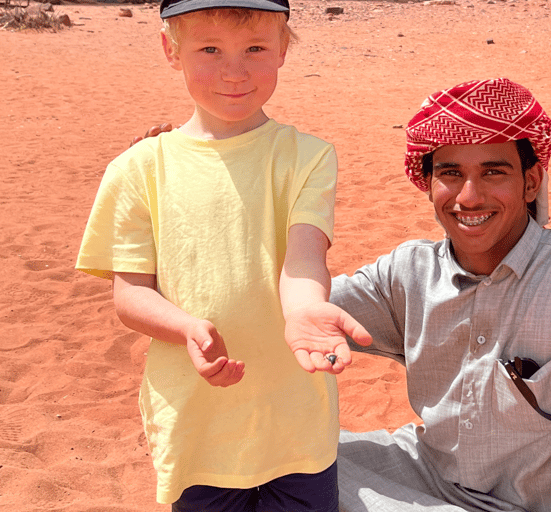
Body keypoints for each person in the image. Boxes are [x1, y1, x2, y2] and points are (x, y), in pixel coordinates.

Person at [75, 0, 371, 510]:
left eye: (255, 48)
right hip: (197, 424)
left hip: (296, 421)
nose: (234, 71)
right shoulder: (139, 168)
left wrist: (304, 313)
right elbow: (130, 296)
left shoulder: (307, 156)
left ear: (283, 49)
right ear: (172, 50)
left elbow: (303, 258)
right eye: (209, 48)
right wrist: (185, 327)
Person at [330, 78, 551, 512]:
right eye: (450, 173)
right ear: (427, 184)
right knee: (291, 467)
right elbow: (296, 311)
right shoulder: (408, 273)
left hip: (550, 502)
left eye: (493, 172)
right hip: (431, 478)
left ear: (531, 181)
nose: (469, 196)